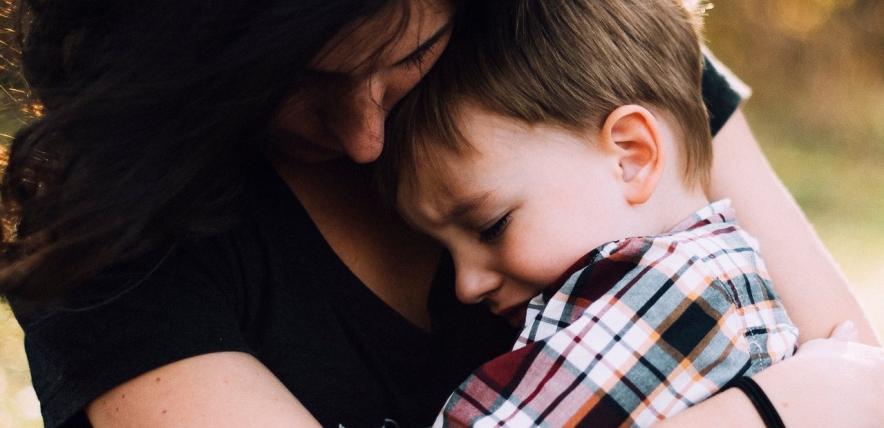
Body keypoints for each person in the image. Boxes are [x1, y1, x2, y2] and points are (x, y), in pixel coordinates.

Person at [0, 0, 880, 427]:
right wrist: (781, 406)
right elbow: (847, 386)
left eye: (408, 55)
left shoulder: (591, 62)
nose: (364, 138)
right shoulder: (107, 228)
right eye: (297, 82)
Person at [380, 1, 798, 425]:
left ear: (631, 157)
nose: (465, 286)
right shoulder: (710, 274)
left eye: (492, 227)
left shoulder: (673, 291)